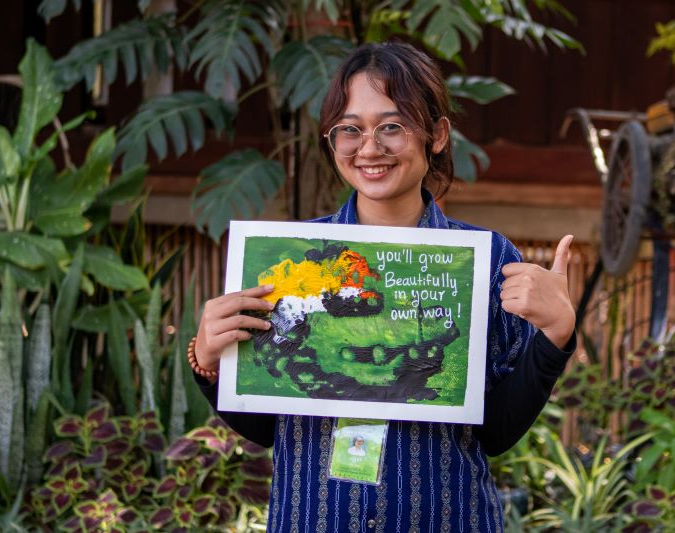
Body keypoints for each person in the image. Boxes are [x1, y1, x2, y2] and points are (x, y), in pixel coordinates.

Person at [191, 41, 576, 532]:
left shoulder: (488, 260)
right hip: (314, 519)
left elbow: (496, 431)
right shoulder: (292, 263)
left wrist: (557, 335)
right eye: (350, 129)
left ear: (436, 135)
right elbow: (268, 427)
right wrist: (206, 360)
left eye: (392, 126)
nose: (369, 147)